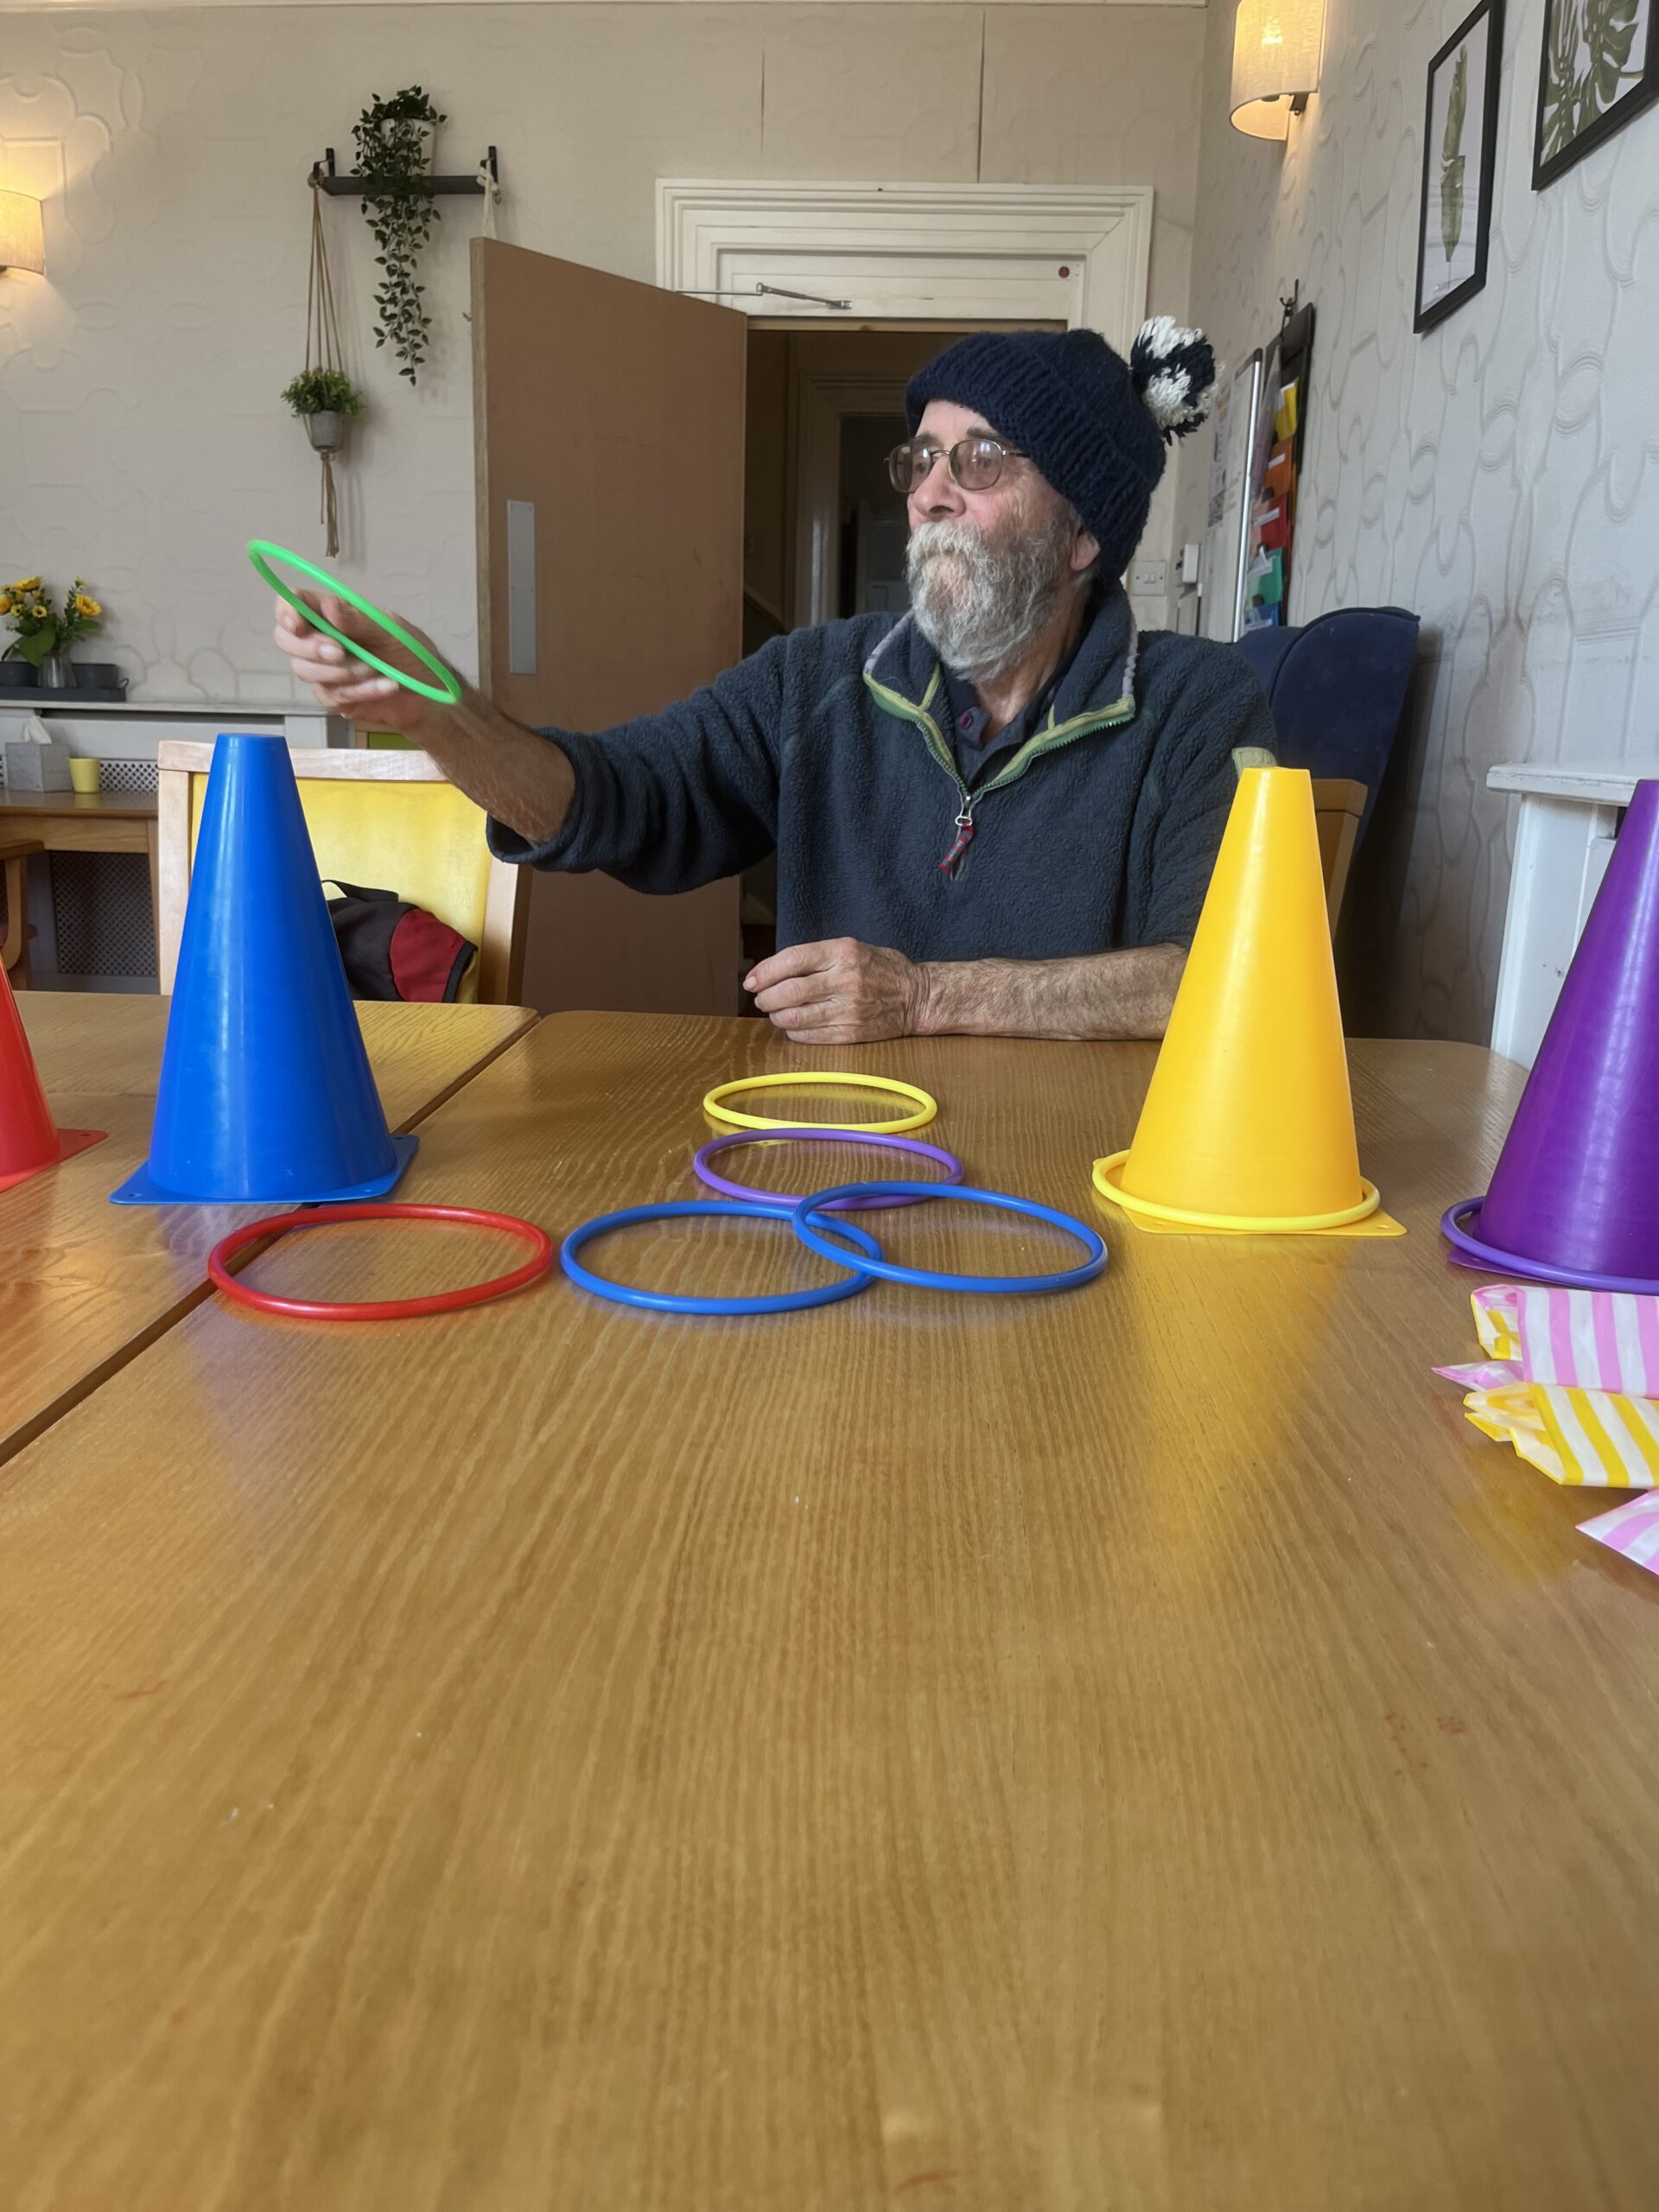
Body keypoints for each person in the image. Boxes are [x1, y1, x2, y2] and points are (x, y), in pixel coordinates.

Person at [276, 319, 1275, 1044]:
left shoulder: (1199, 707)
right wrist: (438, 712)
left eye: (979, 459)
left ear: (1084, 534)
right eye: (923, 458)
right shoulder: (818, 679)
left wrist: (929, 997)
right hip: (833, 1168)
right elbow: (619, 797)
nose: (930, 490)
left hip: (1083, 1190)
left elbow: (1225, 977)